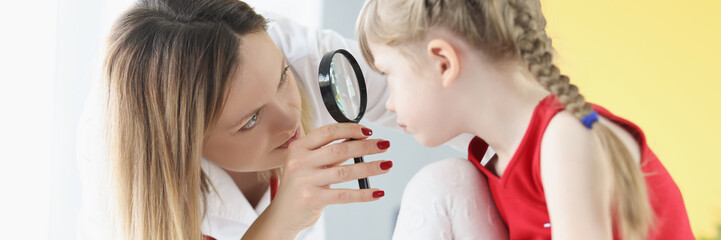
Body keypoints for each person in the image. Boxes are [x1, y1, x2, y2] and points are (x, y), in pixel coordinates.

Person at [75, 0, 424, 239]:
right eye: (251, 120)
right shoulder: (120, 168)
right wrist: (278, 226)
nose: (291, 118)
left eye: (283, 77)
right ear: (186, 144)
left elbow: (439, 89)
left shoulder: (298, 55)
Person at [356, 0, 694, 239]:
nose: (390, 101)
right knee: (447, 178)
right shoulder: (491, 157)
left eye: (388, 74)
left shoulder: (566, 137)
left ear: (443, 62)